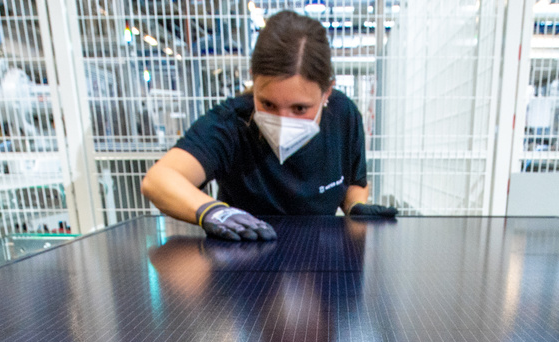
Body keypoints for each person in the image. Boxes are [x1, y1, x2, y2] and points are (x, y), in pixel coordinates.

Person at [140, 10, 396, 241]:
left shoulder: (344, 115)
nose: (283, 122)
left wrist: (355, 207)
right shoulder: (231, 123)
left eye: (299, 109)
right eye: (269, 105)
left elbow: (353, 182)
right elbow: (159, 180)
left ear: (327, 92)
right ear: (254, 78)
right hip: (245, 265)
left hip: (321, 260)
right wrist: (214, 213)